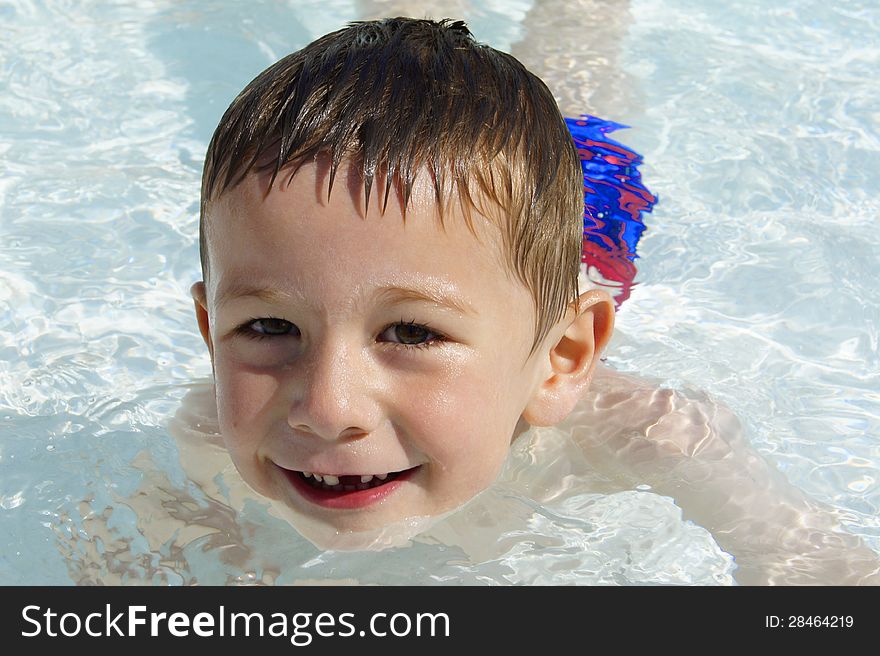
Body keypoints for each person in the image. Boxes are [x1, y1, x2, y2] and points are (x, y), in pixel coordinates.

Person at [185, 16, 879, 583]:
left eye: (412, 333)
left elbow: (828, 580)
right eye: (270, 325)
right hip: (483, 230)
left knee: (575, 46)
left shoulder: (649, 435)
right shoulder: (205, 442)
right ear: (212, 331)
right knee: (393, 39)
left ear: (562, 358)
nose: (328, 409)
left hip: (592, 207)